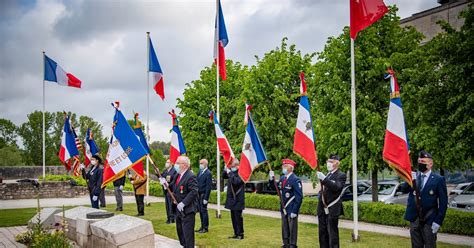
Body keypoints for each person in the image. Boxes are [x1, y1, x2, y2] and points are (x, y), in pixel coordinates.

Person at [405, 151, 448, 248]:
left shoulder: (438, 179)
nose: (420, 163)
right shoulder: (415, 176)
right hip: (415, 219)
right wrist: (408, 178)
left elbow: (443, 203)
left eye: (423, 161)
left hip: (430, 220)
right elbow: (404, 189)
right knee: (416, 246)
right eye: (419, 161)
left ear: (430, 164)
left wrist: (438, 221)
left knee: (430, 245)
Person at [159, 156, 198, 248]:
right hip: (178, 210)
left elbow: (194, 191)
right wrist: (165, 184)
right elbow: (172, 186)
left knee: (188, 234)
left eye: (177, 163)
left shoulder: (190, 176)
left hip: (187, 210)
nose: (175, 165)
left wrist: (184, 203)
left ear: (184, 165)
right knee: (180, 232)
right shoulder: (178, 175)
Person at [269, 159, 303, 248]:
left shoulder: (295, 180)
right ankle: (286, 243)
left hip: (291, 208)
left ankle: (292, 244)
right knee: (284, 226)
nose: (283, 168)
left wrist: (295, 211)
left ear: (291, 168)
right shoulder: (282, 178)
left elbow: (299, 197)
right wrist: (271, 179)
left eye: (285, 166)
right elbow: (275, 188)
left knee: (292, 227)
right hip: (283, 207)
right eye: (283, 166)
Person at [316, 154, 347, 248]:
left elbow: (336, 187)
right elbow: (324, 189)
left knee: (332, 232)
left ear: (337, 163)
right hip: (322, 207)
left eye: (331, 162)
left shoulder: (341, 175)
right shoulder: (328, 174)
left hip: (332, 207)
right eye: (328, 161)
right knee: (322, 231)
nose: (328, 163)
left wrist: (324, 179)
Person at [223, 158, 245, 240]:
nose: (231, 167)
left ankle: (240, 234)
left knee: (238, 217)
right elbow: (224, 176)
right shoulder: (231, 172)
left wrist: (230, 173)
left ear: (237, 166)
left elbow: (236, 182)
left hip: (238, 199)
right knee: (233, 217)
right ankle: (236, 233)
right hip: (232, 199)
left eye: (232, 166)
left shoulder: (241, 173)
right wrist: (225, 169)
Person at [196, 158, 212, 233]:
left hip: (203, 195)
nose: (200, 165)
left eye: (201, 163)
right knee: (200, 212)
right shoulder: (199, 172)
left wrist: (206, 198)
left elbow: (208, 187)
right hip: (198, 195)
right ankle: (202, 226)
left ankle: (205, 227)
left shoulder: (208, 173)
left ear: (205, 164)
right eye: (200, 163)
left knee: (204, 211)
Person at [162, 159, 177, 224]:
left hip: (171, 190)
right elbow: (161, 177)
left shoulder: (174, 171)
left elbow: (174, 181)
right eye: (166, 162)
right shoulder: (165, 171)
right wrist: (157, 173)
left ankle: (172, 218)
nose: (166, 163)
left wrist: (168, 185)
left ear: (171, 163)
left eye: (168, 162)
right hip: (166, 190)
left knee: (171, 205)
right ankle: (168, 217)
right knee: (167, 205)